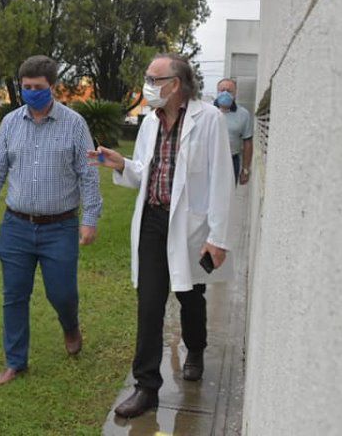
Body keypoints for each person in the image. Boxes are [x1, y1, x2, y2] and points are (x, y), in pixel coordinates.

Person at [92, 53, 233, 419]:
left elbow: (221, 180)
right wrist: (121, 164)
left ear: (178, 84)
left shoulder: (210, 120)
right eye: (148, 78)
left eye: (155, 80)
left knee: (190, 296)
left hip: (188, 224)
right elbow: (143, 170)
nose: (149, 86)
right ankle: (146, 387)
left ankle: (196, 349)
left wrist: (217, 236)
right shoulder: (150, 123)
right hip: (153, 221)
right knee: (150, 303)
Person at [0, 55, 102, 386]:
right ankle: (16, 361)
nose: (31, 93)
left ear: (53, 87)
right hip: (16, 225)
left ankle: (70, 325)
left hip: (60, 227)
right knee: (14, 295)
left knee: (62, 293)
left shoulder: (73, 124)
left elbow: (88, 174)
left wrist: (90, 218)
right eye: (26, 87)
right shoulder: (11, 123)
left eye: (38, 88)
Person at [215, 78, 253, 185]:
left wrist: (245, 169)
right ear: (217, 92)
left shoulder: (243, 114)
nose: (225, 93)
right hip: (209, 160)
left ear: (235, 93)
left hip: (231, 160)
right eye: (222, 90)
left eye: (229, 91)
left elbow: (248, 142)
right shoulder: (207, 112)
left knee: (228, 195)